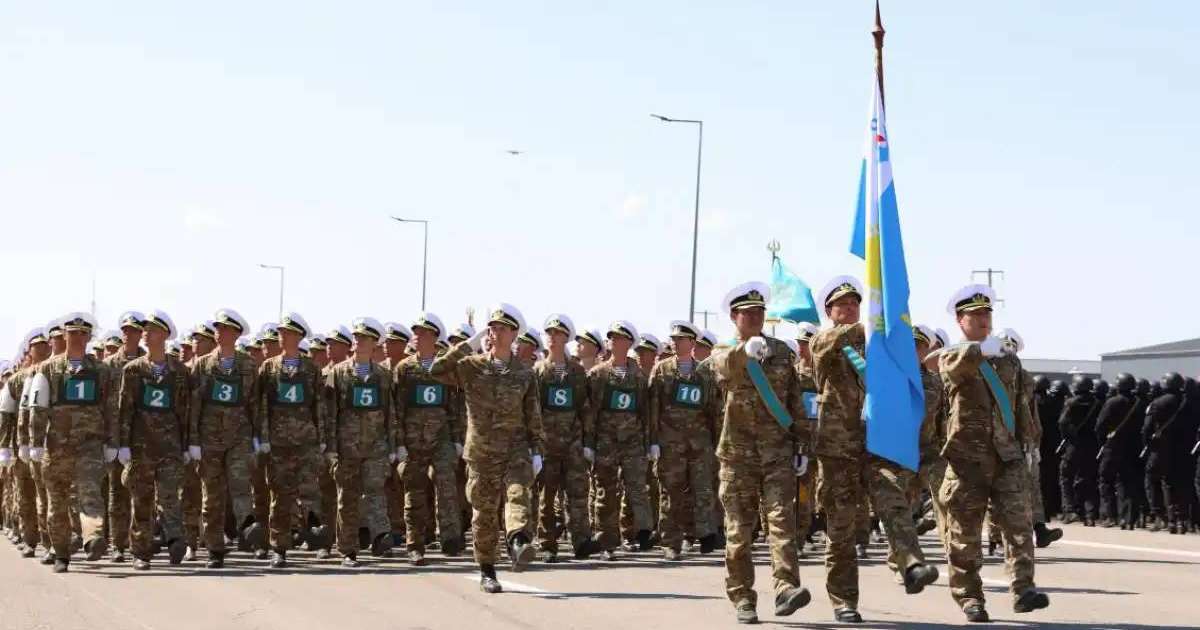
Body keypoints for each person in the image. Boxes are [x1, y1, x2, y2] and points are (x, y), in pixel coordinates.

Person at [937, 284, 1049, 622]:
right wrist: (979, 351)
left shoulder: (1008, 360)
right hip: (967, 458)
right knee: (965, 531)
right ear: (961, 320)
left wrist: (1029, 444)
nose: (984, 320)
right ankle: (970, 597)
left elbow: (1021, 405)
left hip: (1007, 454)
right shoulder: (953, 355)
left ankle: (1023, 588)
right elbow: (952, 370)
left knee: (1018, 523)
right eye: (976, 315)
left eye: (987, 314)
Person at [708, 282, 811, 625]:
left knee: (783, 523)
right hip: (737, 457)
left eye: (759, 313)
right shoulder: (723, 351)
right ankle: (742, 597)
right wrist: (744, 352)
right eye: (747, 313)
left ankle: (785, 587)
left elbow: (794, 401)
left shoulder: (782, 352)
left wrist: (802, 446)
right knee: (739, 531)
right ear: (734, 317)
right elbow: (723, 367)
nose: (754, 318)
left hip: (777, 453)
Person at [428, 304, 544, 593]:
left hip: (515, 448)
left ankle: (518, 541)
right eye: (491, 326)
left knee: (518, 494)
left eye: (502, 328)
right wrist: (467, 345)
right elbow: (436, 370)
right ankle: (487, 570)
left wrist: (537, 450)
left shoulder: (525, 374)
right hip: (481, 452)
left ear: (514, 334)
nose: (494, 331)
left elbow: (533, 416)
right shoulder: (471, 367)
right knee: (485, 513)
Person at [27, 313, 112, 572]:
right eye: (72, 333)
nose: (77, 338)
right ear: (64, 337)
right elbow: (37, 409)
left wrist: (112, 442)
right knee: (57, 503)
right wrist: (35, 442)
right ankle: (62, 553)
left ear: (88, 338)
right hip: (57, 447)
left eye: (82, 334)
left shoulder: (101, 370)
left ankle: (92, 537)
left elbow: (111, 408)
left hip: (90, 444)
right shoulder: (47, 370)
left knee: (90, 493)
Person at [116, 309, 191, 570]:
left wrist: (187, 445)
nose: (146, 333)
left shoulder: (180, 371)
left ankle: (175, 539)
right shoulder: (133, 370)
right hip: (141, 446)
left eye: (152, 329)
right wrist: (123, 444)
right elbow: (125, 409)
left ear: (165, 335)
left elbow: (185, 411)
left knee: (170, 496)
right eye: (145, 329)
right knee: (142, 500)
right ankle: (140, 552)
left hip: (170, 446)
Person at [189, 308, 263, 568]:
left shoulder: (248, 365)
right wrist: (193, 440)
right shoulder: (202, 365)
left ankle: (247, 526)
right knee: (212, 496)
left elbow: (255, 403)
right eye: (217, 328)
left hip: (239, 436)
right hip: (209, 439)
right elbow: (194, 406)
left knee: (241, 484)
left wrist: (257, 437)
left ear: (236, 333)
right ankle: (214, 548)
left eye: (224, 329)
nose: (219, 333)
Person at [392, 312, 464, 564]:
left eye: (423, 332)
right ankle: (415, 543)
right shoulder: (405, 368)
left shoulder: (445, 368)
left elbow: (454, 406)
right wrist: (399, 442)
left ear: (434, 337)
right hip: (413, 440)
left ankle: (450, 538)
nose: (417, 336)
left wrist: (457, 439)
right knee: (414, 491)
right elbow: (397, 409)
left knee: (446, 487)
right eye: (416, 332)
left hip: (441, 437)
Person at [324, 317, 395, 567]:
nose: (358, 340)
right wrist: (331, 448)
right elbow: (330, 414)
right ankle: (347, 549)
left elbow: (390, 413)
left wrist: (393, 446)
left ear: (375, 343)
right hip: (347, 447)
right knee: (348, 498)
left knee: (376, 492)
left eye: (364, 337)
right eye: (356, 336)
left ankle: (380, 536)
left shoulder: (384, 376)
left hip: (376, 445)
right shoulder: (338, 373)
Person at [531, 313, 598, 562]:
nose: (552, 338)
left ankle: (581, 540)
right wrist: (533, 445)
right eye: (549, 333)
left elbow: (585, 408)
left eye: (557, 334)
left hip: (572, 441)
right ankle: (548, 543)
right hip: (547, 442)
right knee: (547, 495)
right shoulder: (538, 371)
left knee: (577, 492)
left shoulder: (577, 372)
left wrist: (588, 442)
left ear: (566, 338)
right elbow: (532, 409)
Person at [649, 320, 718, 560]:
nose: (676, 343)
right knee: (671, 493)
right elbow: (653, 406)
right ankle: (671, 542)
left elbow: (713, 409)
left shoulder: (705, 372)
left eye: (681, 339)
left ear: (692, 343)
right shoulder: (662, 369)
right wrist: (653, 440)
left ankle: (705, 535)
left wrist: (716, 440)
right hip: (670, 443)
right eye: (674, 339)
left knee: (703, 490)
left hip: (699, 443)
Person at [586, 320, 654, 559]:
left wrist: (650, 443)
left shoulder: (639, 377)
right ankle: (606, 542)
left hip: (633, 442)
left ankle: (643, 533)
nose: (614, 341)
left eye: (619, 338)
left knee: (637, 489)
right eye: (611, 338)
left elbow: (646, 413)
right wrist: (589, 444)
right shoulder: (598, 375)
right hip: (605, 442)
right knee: (606, 492)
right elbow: (591, 411)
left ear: (629, 343)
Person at [1094, 374, 1139, 529]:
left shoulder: (1112, 402)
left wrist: (1103, 443)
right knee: (1127, 483)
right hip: (1131, 449)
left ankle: (1109, 515)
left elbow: (1100, 425)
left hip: (1112, 447)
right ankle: (1128, 519)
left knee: (1105, 481)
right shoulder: (1138, 402)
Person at [1058, 375, 1101, 525]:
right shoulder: (1097, 402)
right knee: (1087, 479)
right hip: (1091, 446)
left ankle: (1069, 511)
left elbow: (1062, 423)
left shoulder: (1071, 402)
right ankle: (1089, 515)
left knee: (1066, 477)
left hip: (1074, 446)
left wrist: (1069, 437)